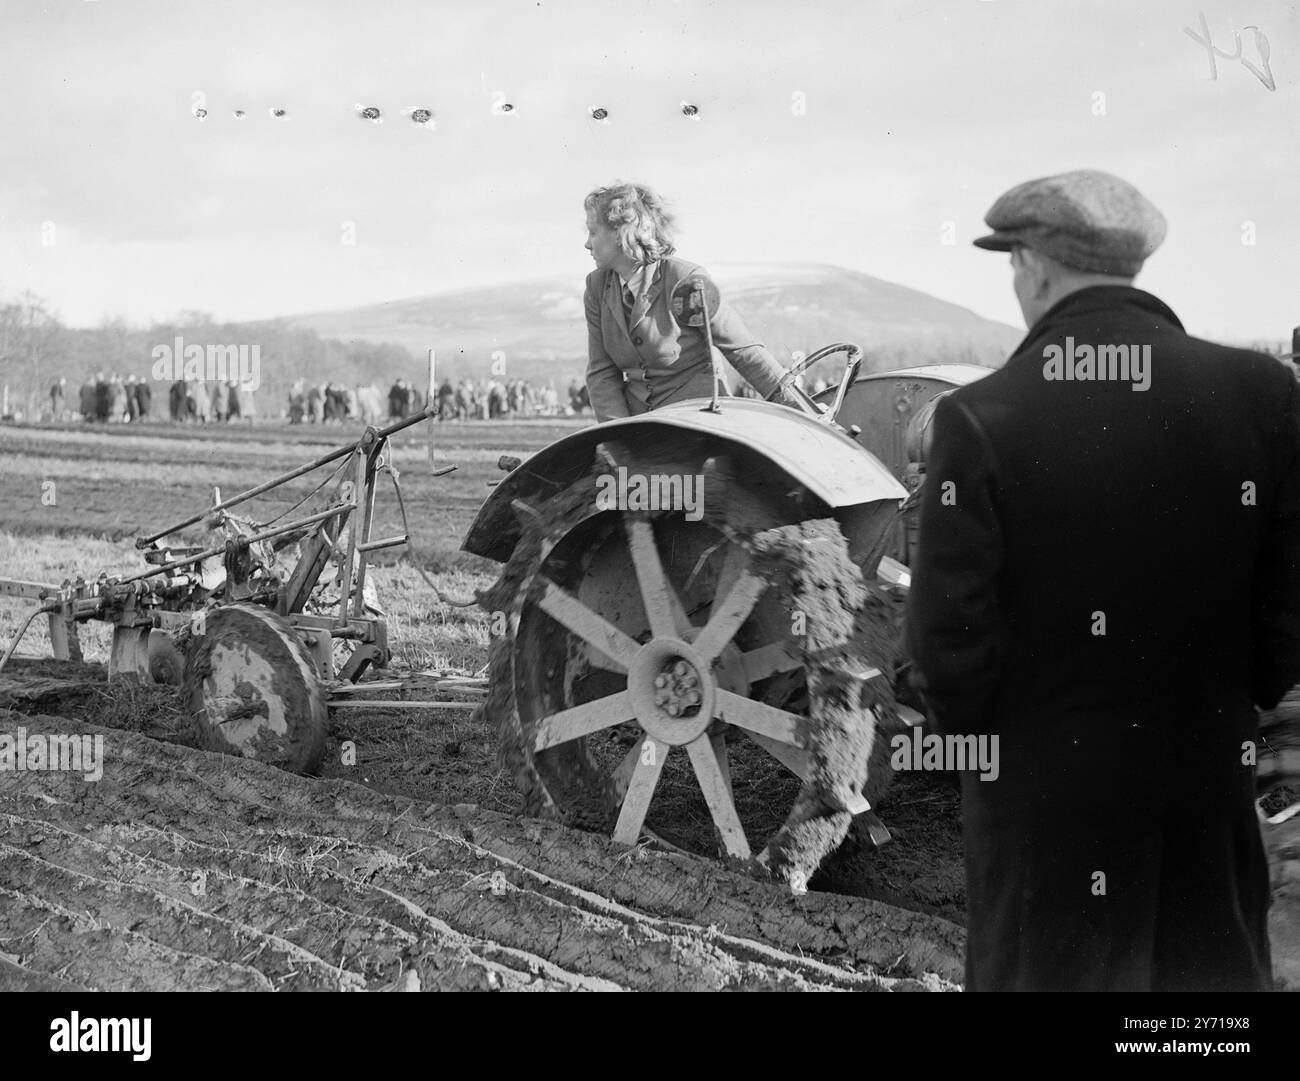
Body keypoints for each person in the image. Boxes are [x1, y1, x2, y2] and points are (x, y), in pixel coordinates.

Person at [905, 169, 1300, 992]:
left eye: (1013, 264)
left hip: (1045, 821)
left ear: (1035, 266)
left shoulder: (981, 417)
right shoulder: (1265, 394)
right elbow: (1283, 626)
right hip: (1205, 798)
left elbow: (949, 651)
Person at [582, 182, 802, 422]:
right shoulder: (596, 287)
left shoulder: (685, 279)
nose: (587, 243)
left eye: (593, 232)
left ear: (620, 234)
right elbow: (601, 372)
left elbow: (742, 350)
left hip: (698, 416)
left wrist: (802, 411)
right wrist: (617, 434)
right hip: (638, 423)